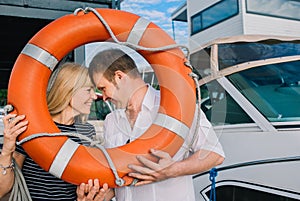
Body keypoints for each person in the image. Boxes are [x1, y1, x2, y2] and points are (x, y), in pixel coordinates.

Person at [85, 49, 225, 201]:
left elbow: (214, 154)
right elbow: (119, 179)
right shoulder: (111, 121)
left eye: (103, 88)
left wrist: (173, 170)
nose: (103, 98)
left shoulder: (177, 107)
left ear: (119, 77)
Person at [0, 62, 108, 201]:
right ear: (68, 90)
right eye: (88, 90)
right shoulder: (33, 127)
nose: (94, 97)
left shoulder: (86, 131)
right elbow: (2, 191)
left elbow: (86, 181)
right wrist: (7, 150)